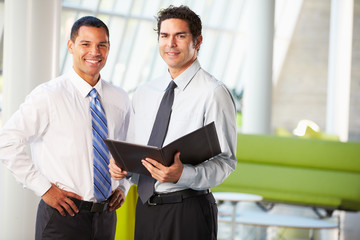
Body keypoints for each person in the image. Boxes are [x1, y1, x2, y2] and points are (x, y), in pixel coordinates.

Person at [109, 5, 237, 240]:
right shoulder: (145, 92)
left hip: (188, 210)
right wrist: (122, 168)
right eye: (164, 36)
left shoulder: (213, 93)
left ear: (197, 42)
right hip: (146, 208)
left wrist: (182, 175)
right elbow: (136, 152)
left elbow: (226, 162)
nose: (171, 43)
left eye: (180, 36)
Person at [0, 16, 131, 239]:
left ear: (109, 48)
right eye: (85, 44)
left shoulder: (120, 98)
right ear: (70, 46)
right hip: (62, 215)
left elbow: (126, 150)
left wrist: (123, 186)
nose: (95, 52)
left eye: (102, 45)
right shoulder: (48, 95)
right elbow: (7, 141)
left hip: (106, 216)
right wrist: (44, 189)